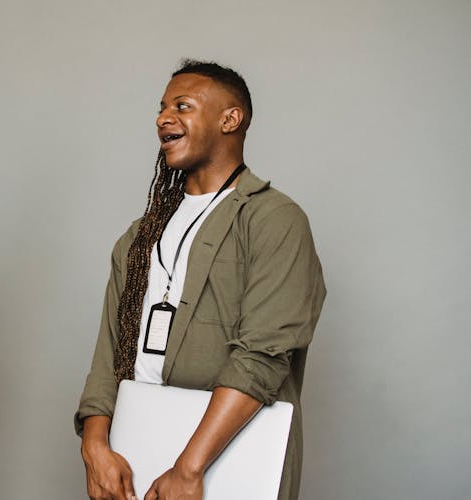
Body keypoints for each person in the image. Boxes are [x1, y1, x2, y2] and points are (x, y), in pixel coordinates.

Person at [76, 60, 326, 500]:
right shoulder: (140, 234)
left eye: (182, 106)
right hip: (133, 453)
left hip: (228, 456)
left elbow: (262, 358)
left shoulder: (274, 220)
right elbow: (108, 354)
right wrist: (95, 446)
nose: (163, 118)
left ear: (231, 119)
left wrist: (188, 469)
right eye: (161, 107)